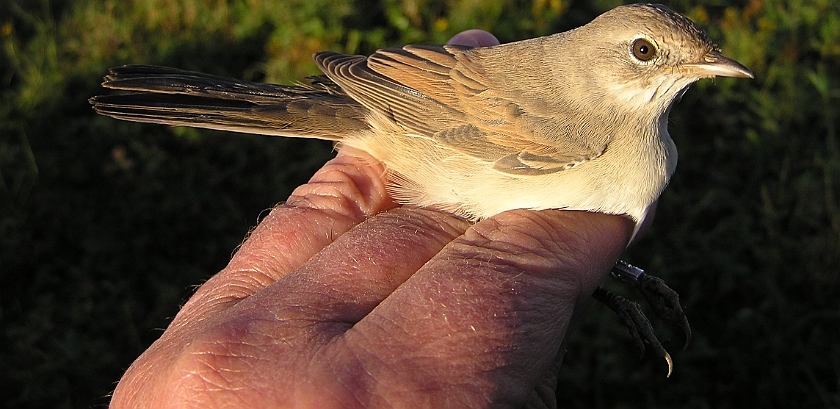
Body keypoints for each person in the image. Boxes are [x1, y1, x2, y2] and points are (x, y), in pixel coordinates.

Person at [109, 31, 633, 408]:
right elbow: (441, 117)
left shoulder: (613, 126)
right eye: (649, 54)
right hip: (412, 123)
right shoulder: (579, 131)